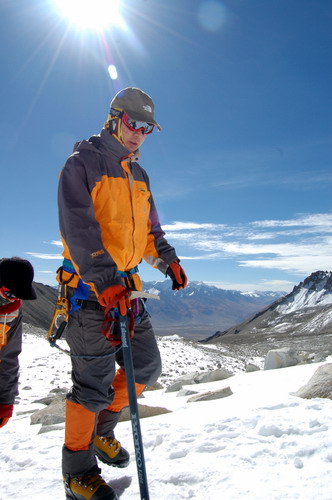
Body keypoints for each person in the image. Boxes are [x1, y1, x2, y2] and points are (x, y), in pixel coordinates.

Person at [57, 87, 188, 500]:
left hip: (127, 293)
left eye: (148, 128)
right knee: (91, 387)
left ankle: (102, 432)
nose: (140, 134)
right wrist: (104, 277)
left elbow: (149, 230)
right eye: (135, 124)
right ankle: (77, 472)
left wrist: (167, 260)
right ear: (114, 118)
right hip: (90, 292)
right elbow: (78, 228)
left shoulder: (139, 174)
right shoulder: (83, 164)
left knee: (145, 369)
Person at [0, 257, 37, 428]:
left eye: (18, 296)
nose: (13, 299)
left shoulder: (12, 313)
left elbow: (9, 357)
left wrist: (6, 401)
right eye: (9, 294)